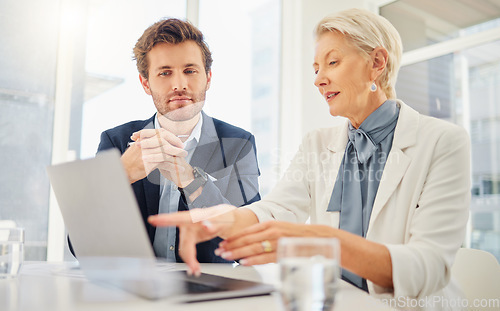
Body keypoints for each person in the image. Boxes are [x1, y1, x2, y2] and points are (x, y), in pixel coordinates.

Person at [148, 8, 471, 304]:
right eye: (316, 68)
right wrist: (223, 219)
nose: (318, 79)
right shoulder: (318, 143)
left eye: (332, 62)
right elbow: (279, 208)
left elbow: (427, 267)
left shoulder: (443, 141)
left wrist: (320, 239)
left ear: (377, 63)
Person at [93, 18, 261, 264]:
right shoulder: (116, 142)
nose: (179, 84)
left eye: (190, 71)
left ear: (208, 78)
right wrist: (120, 175)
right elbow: (81, 246)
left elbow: (250, 245)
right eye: (165, 73)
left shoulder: (239, 144)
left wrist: (190, 179)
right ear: (145, 83)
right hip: (134, 294)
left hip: (208, 296)